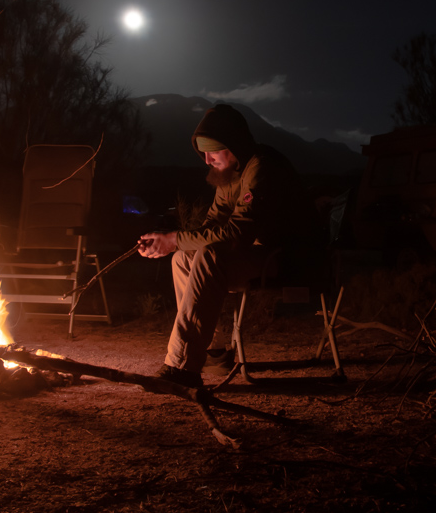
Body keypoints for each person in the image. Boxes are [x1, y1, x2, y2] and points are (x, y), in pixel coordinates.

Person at [138, 104, 322, 388]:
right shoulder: (229, 176)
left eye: (213, 151)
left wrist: (175, 240)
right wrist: (169, 241)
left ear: (234, 145)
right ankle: (213, 353)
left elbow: (237, 233)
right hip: (260, 254)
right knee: (183, 259)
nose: (207, 160)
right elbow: (212, 225)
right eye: (203, 154)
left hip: (290, 257)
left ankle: (182, 368)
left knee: (211, 257)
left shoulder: (262, 167)